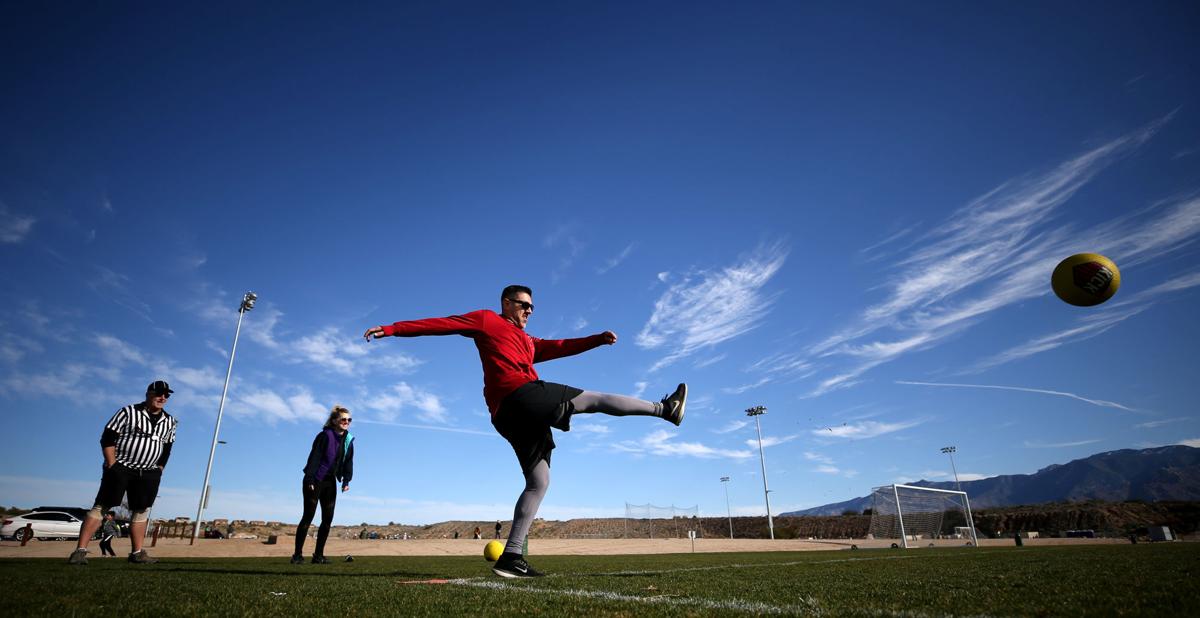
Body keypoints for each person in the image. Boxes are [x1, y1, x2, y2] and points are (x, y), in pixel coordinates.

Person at [364, 284, 686, 578]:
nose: (529, 311)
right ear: (506, 303)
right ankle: (663, 409)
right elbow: (443, 324)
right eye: (523, 305)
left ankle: (511, 557)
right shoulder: (487, 320)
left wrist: (596, 340)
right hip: (518, 396)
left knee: (539, 481)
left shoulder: (528, 342)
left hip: (508, 415)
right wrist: (393, 329)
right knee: (593, 399)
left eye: (532, 307)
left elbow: (561, 345)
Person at [68, 380, 178, 565]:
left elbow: (167, 448)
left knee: (141, 510)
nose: (163, 397)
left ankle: (137, 553)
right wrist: (112, 463)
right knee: (102, 506)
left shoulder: (170, 421)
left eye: (166, 395)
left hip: (148, 471)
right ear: (148, 394)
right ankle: (80, 551)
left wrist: (159, 469)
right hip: (122, 467)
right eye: (159, 393)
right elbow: (108, 437)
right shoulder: (128, 412)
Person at [291, 405, 355, 565]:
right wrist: (310, 479)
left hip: (330, 481)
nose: (346, 422)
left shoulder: (348, 440)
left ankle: (318, 555)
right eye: (343, 419)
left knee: (327, 519)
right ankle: (297, 555)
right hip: (315, 479)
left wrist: (346, 480)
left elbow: (348, 461)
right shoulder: (324, 436)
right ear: (334, 421)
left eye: (349, 420)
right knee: (308, 516)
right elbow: (315, 457)